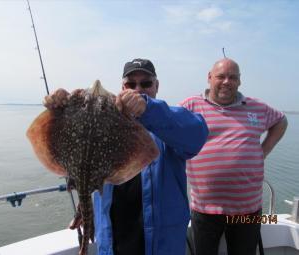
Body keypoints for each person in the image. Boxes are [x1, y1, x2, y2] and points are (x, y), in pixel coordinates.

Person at [44, 58, 209, 255]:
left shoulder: (168, 126)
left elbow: (197, 134)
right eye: (131, 84)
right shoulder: (102, 128)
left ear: (157, 86)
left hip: (160, 246)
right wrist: (59, 109)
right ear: (123, 87)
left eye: (146, 83)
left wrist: (148, 108)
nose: (138, 89)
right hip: (113, 243)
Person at [179, 58, 288, 255]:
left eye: (233, 77)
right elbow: (170, 127)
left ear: (239, 81)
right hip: (204, 210)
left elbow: (281, 122)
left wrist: (263, 151)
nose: (227, 81)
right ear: (209, 78)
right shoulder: (191, 105)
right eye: (221, 76)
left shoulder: (257, 107)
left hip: (248, 209)